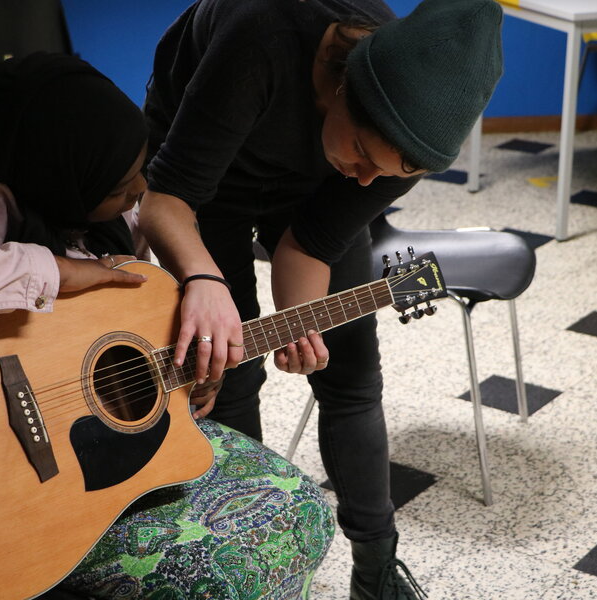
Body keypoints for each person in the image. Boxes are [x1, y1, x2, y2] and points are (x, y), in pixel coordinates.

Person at [0, 52, 333, 598]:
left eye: (140, 172)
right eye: (117, 186)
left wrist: (183, 373)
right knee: (229, 574)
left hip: (89, 465)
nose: (136, 195)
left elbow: (111, 322)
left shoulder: (88, 195)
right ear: (59, 169)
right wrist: (60, 272)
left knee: (303, 510)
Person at [137, 0, 503, 597]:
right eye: (362, 152)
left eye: (384, 174)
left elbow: (309, 243)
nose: (365, 179)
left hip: (307, 177)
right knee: (229, 371)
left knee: (352, 369)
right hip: (203, 186)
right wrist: (205, 283)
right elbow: (164, 203)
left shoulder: (408, 141)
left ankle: (377, 570)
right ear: (343, 85)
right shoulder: (259, 36)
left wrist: (300, 323)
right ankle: (245, 553)